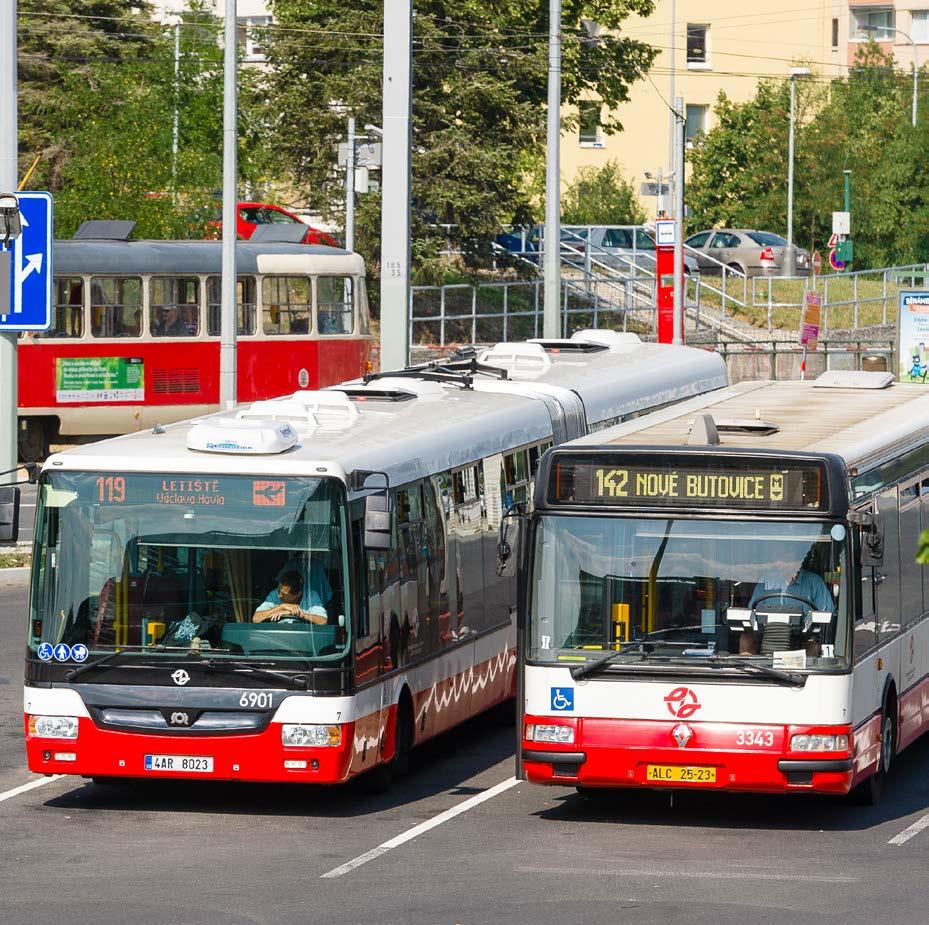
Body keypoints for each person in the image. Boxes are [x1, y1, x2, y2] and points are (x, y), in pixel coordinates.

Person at [252, 566, 331, 624]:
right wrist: (281, 607)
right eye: (279, 591)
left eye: (284, 594)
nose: (279, 595)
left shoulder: (311, 596)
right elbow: (256, 618)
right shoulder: (275, 594)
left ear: (298, 594)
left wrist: (291, 613)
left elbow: (323, 621)